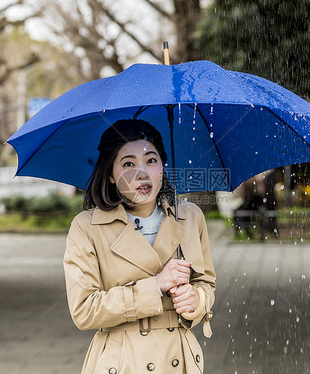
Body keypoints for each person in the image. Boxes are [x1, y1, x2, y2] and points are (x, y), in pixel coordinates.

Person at [63, 119, 216, 373]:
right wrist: (155, 286)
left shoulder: (190, 217)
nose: (142, 173)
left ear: (162, 167)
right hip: (123, 361)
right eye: (128, 164)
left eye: (151, 160)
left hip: (179, 357)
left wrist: (196, 300)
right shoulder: (87, 227)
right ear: (111, 174)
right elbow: (83, 309)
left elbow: (206, 284)